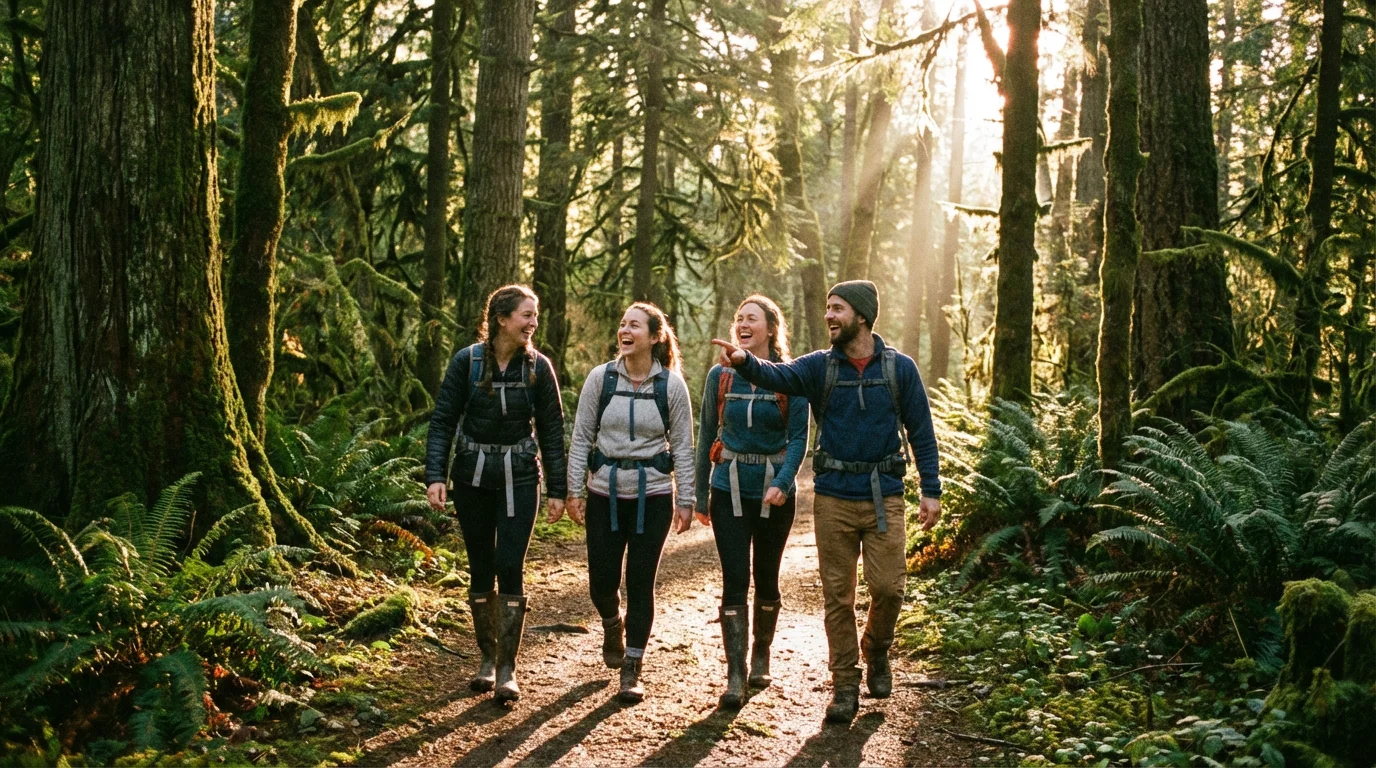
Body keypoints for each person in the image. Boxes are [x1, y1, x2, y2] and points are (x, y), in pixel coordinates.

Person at [711, 280, 942, 723]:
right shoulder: (819, 366)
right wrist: (744, 362)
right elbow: (778, 375)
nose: (829, 316)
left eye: (837, 309)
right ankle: (845, 685)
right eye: (828, 308)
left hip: (884, 495)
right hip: (834, 495)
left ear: (862, 315)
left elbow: (921, 431)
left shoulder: (900, 369)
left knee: (890, 588)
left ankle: (876, 649)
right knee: (838, 596)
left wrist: (930, 489)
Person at [425, 285, 567, 704]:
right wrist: (436, 475)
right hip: (471, 478)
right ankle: (487, 660)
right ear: (502, 319)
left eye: (535, 316)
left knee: (510, 563)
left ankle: (508, 667)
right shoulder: (465, 363)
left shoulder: (539, 368)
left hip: (521, 478)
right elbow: (443, 421)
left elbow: (553, 432)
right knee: (481, 566)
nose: (533, 323)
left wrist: (557, 489)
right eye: (526, 315)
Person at [563, 302, 696, 704]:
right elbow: (582, 437)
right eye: (622, 323)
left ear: (655, 337)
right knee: (601, 582)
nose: (625, 330)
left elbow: (685, 448)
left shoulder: (670, 386)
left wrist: (685, 498)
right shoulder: (599, 379)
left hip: (652, 495)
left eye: (634, 325)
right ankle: (610, 622)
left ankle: (633, 666)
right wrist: (574, 490)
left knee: (640, 581)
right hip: (604, 492)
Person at [694, 295, 808, 708]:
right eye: (738, 317)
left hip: (775, 493)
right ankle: (736, 674)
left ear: (771, 329)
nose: (742, 324)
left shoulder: (790, 377)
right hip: (728, 488)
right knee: (734, 578)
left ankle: (761, 654)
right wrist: (698, 494)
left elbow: (799, 438)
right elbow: (706, 432)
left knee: (767, 575)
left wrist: (784, 480)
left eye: (751, 319)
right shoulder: (719, 377)